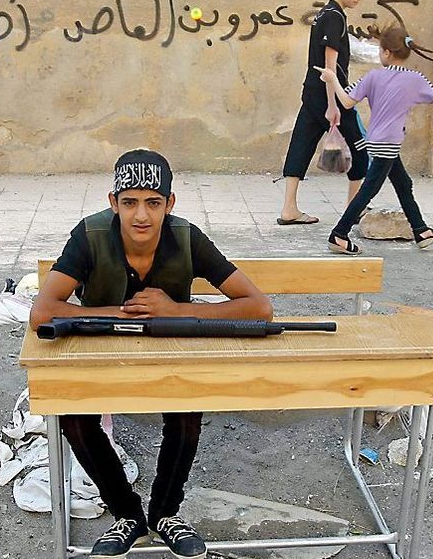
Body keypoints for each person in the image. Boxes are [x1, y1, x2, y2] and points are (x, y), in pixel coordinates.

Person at [30, 149, 273, 559]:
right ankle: (126, 515)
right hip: (99, 352)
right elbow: (42, 310)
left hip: (169, 353)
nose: (141, 215)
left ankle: (164, 514)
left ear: (169, 204)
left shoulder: (186, 236)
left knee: (186, 417)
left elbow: (258, 306)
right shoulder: (90, 235)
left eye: (153, 202)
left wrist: (177, 310)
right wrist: (121, 313)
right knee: (74, 417)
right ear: (113, 203)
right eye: (129, 202)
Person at [315, 25, 433, 255]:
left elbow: (345, 102)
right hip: (389, 143)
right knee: (368, 190)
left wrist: (332, 79)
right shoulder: (416, 79)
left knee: (403, 184)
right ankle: (339, 235)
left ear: (385, 52)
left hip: (377, 141)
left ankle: (420, 230)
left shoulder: (373, 76)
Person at [278, 0, 370, 225]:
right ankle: (354, 207)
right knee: (360, 149)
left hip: (312, 93)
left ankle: (289, 209)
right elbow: (329, 66)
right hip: (330, 96)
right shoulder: (334, 17)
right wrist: (333, 105)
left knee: (301, 145)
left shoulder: (324, 14)